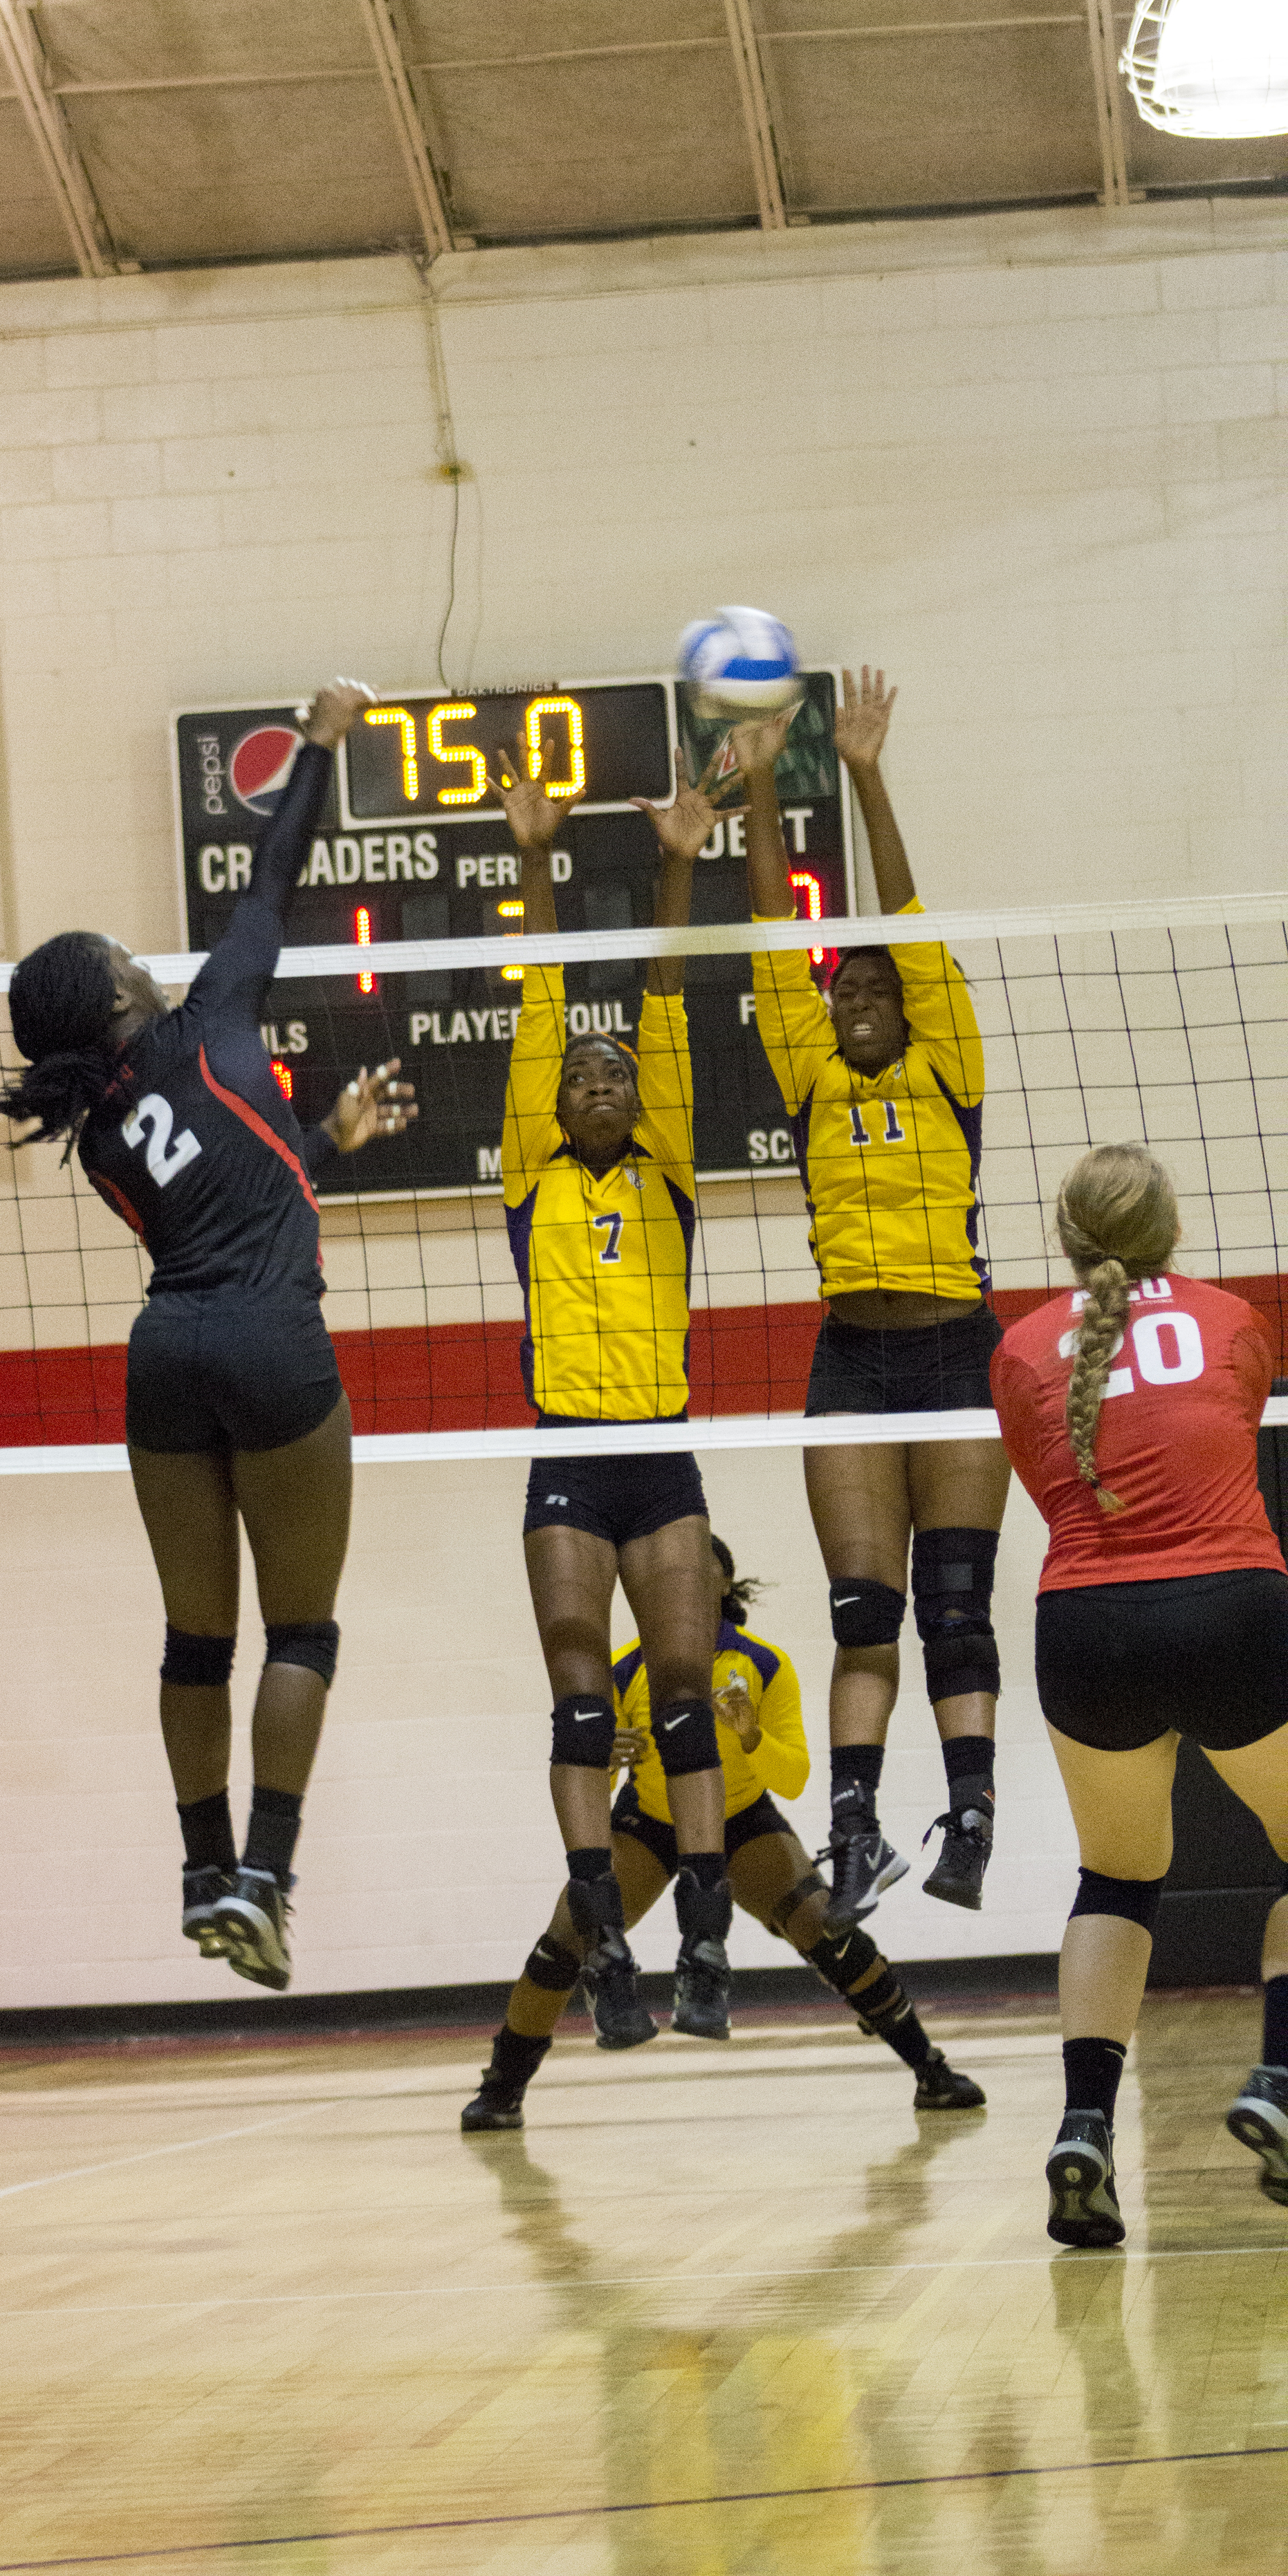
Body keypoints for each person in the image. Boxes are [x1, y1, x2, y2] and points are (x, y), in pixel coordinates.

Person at [0, 680, 417, 1994]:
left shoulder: (100, 1138)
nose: (141, 952)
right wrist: (325, 744)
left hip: (166, 1357)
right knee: (304, 1637)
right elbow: (272, 882)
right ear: (117, 989)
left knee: (197, 1643)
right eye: (124, 951)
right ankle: (269, 1883)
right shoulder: (214, 1019)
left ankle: (203, 1870)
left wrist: (326, 1145)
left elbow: (243, 1196)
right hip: (274, 1350)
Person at [735, 669, 1010, 1932]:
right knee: (865, 1615)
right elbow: (770, 950)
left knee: (957, 1605)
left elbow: (904, 915)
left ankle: (972, 1822)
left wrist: (862, 769)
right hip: (853, 1358)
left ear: (908, 1006)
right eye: (840, 989)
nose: (851, 999)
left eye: (872, 989)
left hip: (960, 1353)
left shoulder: (947, 1056)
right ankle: (855, 1831)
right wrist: (754, 798)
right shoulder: (810, 1077)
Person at [991, 1142, 1288, 2245]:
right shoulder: (1237, 1319)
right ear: (1170, 1226)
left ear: (1067, 1239)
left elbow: (1054, 1474)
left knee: (1117, 1876)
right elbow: (1220, 1444)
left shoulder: (1020, 1349)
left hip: (1087, 1624)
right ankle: (1281, 2080)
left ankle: (1083, 2128)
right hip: (1231, 1604)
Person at [495, 735, 739, 2046]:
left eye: (615, 1077)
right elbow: (544, 1003)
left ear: (639, 1104)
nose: (596, 1081)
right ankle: (607, 1948)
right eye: (580, 1076)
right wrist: (533, 862)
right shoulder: (533, 1175)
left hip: (663, 1453)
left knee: (688, 1692)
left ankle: (704, 1945)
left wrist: (677, 866)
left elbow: (664, 998)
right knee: (585, 1700)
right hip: (570, 1459)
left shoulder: (669, 1171)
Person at [461, 1533, 987, 2129]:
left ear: (723, 1584)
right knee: (562, 1946)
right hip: (651, 1821)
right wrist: (606, 1760)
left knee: (830, 1933)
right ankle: (500, 2091)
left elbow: (793, 1778)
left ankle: (931, 2072)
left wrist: (751, 1737)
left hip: (741, 1820)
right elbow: (590, 1788)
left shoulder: (763, 1664)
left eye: (694, 1573)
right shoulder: (626, 1667)